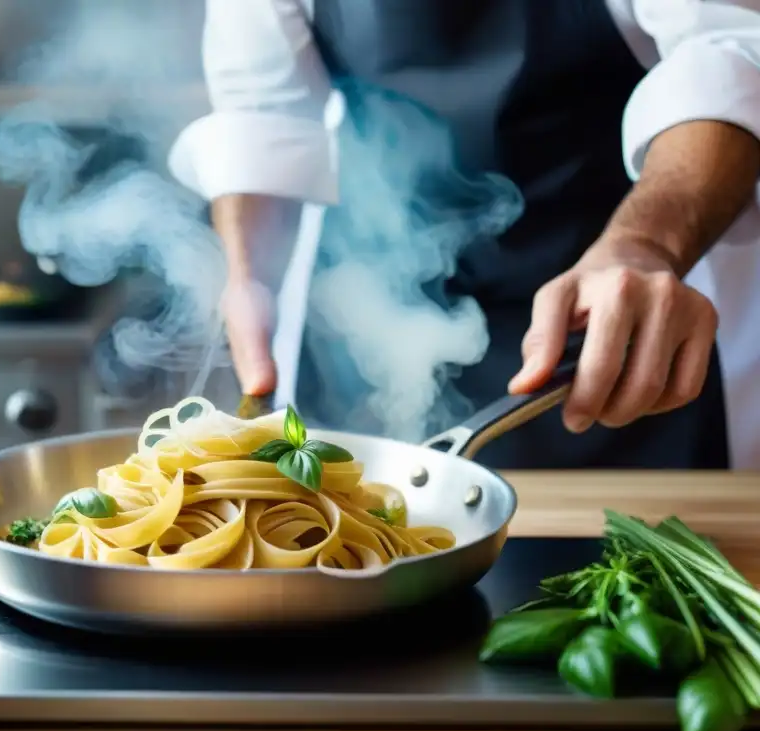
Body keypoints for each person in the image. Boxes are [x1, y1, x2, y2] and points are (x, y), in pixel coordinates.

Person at [169, 0, 760, 470]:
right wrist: (248, 277)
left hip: (615, 306)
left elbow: (725, 53)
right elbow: (264, 113)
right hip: (367, 324)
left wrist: (647, 246)